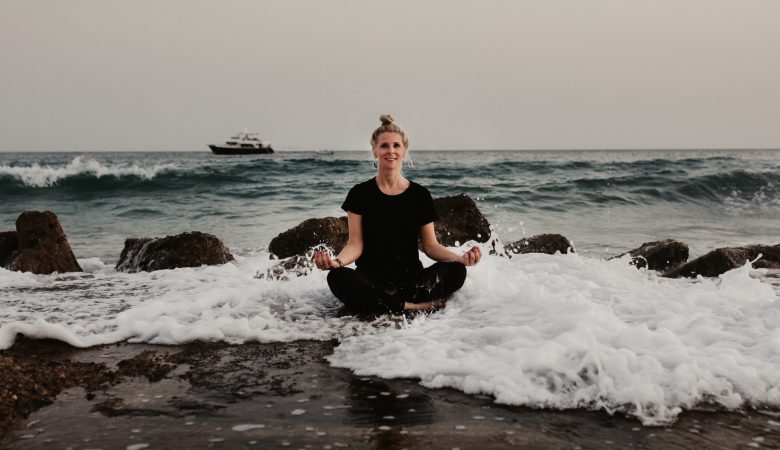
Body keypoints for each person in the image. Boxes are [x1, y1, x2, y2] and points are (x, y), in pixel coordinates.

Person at [313, 114, 481, 314]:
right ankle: (413, 306)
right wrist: (336, 262)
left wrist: (460, 259)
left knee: (456, 271)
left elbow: (430, 246)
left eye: (396, 146)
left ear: (404, 151)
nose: (390, 151)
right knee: (336, 276)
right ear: (375, 151)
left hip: (411, 281)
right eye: (384, 146)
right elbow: (355, 245)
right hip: (370, 279)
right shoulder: (360, 193)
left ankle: (385, 304)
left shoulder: (420, 195)